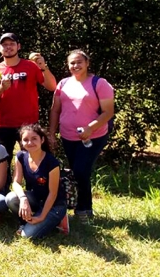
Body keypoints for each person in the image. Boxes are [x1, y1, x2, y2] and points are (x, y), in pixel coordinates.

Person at [49, 49, 114, 224]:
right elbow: (55, 110)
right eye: (72, 63)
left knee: (81, 171)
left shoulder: (99, 84)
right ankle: (77, 207)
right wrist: (51, 133)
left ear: (87, 63)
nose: (75, 66)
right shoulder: (63, 84)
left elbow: (108, 112)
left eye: (79, 62)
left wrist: (90, 128)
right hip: (68, 136)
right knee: (77, 172)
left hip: (93, 136)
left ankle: (84, 210)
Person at [0, 32, 56, 161]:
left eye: (12, 44)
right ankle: (5, 182)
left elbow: (52, 86)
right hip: (3, 125)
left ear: (18, 46)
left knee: (32, 160)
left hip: (29, 124)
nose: (8, 47)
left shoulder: (31, 66)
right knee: (1, 162)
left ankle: (31, 181)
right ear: (0, 49)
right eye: (4, 45)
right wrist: (1, 88)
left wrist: (43, 67)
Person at [6, 124, 67, 239]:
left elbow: (53, 193)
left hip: (55, 205)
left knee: (26, 236)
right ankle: (24, 222)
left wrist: (42, 216)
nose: (30, 143)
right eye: (25, 140)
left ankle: (57, 220)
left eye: (34, 139)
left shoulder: (51, 162)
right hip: (36, 199)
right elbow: (16, 182)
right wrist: (23, 199)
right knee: (11, 198)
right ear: (21, 143)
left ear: (42, 140)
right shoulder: (20, 156)